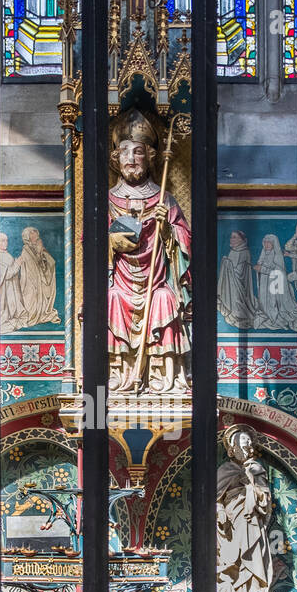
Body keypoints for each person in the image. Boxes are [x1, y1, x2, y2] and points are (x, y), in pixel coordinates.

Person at [107, 109, 192, 393]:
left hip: (155, 282)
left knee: (166, 299)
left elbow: (184, 242)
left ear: (151, 156)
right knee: (112, 298)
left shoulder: (164, 199)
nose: (131, 159)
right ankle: (118, 373)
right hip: (120, 281)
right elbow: (90, 245)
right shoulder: (107, 201)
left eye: (138, 152)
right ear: (116, 158)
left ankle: (164, 375)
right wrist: (113, 238)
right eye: (125, 152)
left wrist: (166, 227)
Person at [215, 425, 278, 592]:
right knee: (231, 558)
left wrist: (252, 486)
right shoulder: (225, 469)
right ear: (233, 446)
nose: (247, 444)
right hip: (230, 523)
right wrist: (219, 510)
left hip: (251, 520)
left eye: (249, 441)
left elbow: (265, 499)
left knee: (253, 555)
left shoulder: (256, 468)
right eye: (243, 440)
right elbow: (215, 498)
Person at [17, 226, 59, 327]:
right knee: (30, 298)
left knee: (43, 296)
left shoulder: (40, 247)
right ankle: (32, 315)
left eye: (35, 233)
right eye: (31, 233)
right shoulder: (26, 249)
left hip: (41, 278)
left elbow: (49, 262)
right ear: (27, 236)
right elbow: (30, 265)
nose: (34, 235)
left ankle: (42, 314)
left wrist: (41, 252)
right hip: (30, 280)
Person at [217, 231, 259, 328]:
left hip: (239, 284)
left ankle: (239, 314)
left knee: (238, 301)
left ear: (241, 239)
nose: (232, 239)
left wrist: (227, 262)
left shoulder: (244, 252)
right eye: (231, 237)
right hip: (231, 283)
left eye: (234, 237)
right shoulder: (233, 251)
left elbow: (239, 272)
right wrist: (226, 262)